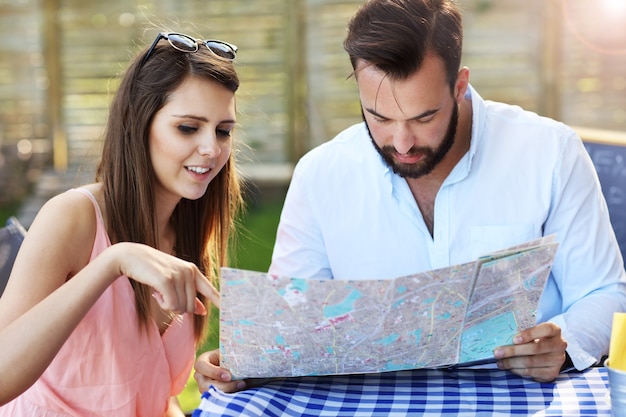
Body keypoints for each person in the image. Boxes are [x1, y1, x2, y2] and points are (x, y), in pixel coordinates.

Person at [193, 0, 626, 394]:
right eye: (378, 116)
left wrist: (563, 343)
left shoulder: (549, 152)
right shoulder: (321, 175)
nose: (401, 142)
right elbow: (291, 325)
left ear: (459, 85)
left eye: (424, 117)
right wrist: (251, 364)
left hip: (524, 396)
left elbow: (607, 291)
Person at [0, 31, 242, 416]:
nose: (213, 149)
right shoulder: (73, 217)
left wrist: (206, 375)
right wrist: (113, 262)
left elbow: (156, 400)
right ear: (138, 124)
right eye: (188, 128)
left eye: (223, 131)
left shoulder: (189, 232)